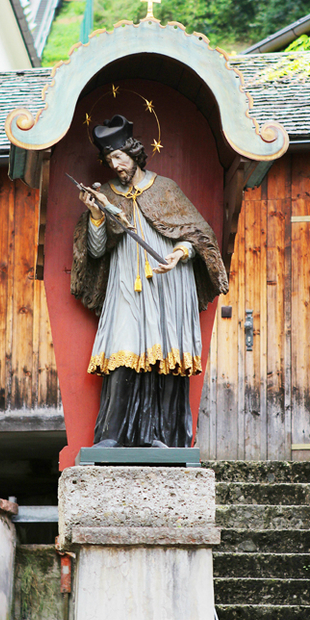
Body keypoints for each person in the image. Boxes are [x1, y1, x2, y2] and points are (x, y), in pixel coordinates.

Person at [71, 114, 228, 448]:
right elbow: (95, 252)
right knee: (123, 347)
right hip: (127, 280)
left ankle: (163, 437)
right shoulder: (106, 195)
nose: (115, 166)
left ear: (133, 153)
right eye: (109, 160)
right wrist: (97, 215)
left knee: (166, 350)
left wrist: (180, 254)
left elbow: (197, 235)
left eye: (119, 157)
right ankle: (112, 437)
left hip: (170, 282)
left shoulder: (165, 188)